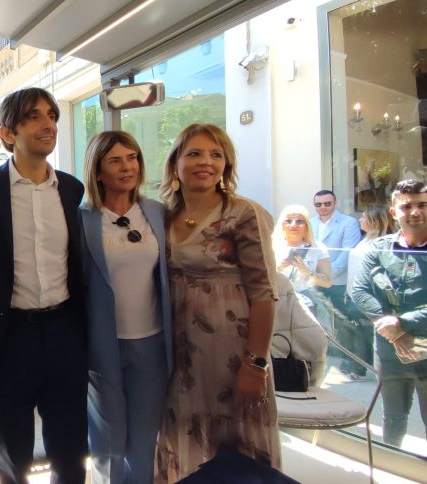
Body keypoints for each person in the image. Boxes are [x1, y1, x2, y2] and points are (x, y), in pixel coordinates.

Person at [0, 87, 88, 483]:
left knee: (71, 450)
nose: (48, 124)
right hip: (8, 337)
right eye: (34, 116)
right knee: (13, 454)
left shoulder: (72, 190)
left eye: (52, 115)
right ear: (8, 133)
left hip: (64, 333)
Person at [155, 123, 279, 481]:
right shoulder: (163, 215)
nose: (205, 162)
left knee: (237, 452)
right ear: (175, 163)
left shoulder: (244, 213)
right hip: (180, 355)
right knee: (186, 440)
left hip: (233, 353)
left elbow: (264, 293)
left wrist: (255, 364)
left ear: (226, 165)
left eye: (215, 154)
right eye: (194, 153)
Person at [79, 131, 172, 484]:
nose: (127, 167)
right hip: (103, 347)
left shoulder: (157, 213)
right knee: (107, 443)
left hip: (152, 345)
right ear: (98, 171)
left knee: (144, 442)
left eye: (132, 158)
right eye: (115, 160)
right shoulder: (82, 219)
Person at [350, 179, 427, 447]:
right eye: (406, 206)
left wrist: (402, 324)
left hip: (425, 344)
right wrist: (395, 332)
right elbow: (360, 291)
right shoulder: (379, 248)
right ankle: (389, 464)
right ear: (394, 212)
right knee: (393, 417)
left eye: (422, 205)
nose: (415, 212)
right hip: (390, 347)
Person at [343, 204, 395, 378]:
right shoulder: (364, 240)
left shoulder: (383, 244)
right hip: (354, 294)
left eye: (364, 216)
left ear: (373, 220)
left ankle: (376, 370)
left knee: (372, 334)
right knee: (358, 333)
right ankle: (359, 368)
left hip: (371, 297)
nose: (360, 219)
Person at [271, 205, 333, 335]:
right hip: (278, 299)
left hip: (308, 300)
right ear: (282, 225)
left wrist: (306, 272)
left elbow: (327, 282)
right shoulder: (272, 247)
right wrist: (279, 267)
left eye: (299, 221)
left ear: (306, 225)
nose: (293, 225)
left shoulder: (317, 247)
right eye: (288, 221)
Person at [310, 190, 361, 333]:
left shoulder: (348, 222)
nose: (323, 207)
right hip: (314, 281)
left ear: (335, 203)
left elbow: (347, 253)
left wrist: (326, 275)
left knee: (343, 324)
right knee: (318, 323)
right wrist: (313, 276)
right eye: (318, 204)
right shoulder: (310, 223)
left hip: (338, 282)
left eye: (327, 203)